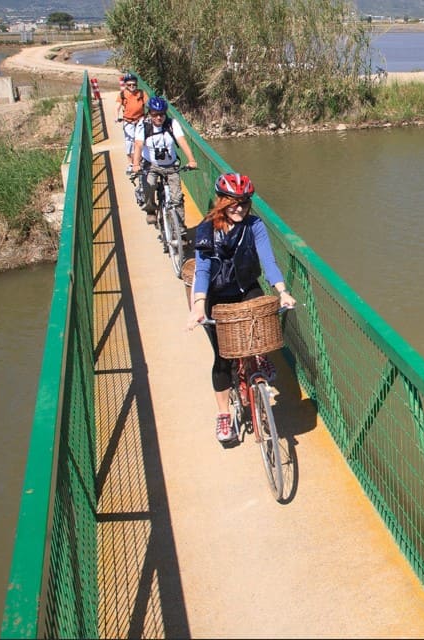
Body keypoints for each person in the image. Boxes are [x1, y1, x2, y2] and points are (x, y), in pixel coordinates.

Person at [185, 173, 296, 444]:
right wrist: (198, 305)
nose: (240, 208)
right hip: (217, 295)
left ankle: (257, 358)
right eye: (233, 203)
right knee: (223, 360)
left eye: (245, 203)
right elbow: (203, 270)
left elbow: (268, 261)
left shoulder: (254, 225)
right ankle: (223, 414)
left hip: (246, 287)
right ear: (222, 202)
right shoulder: (207, 230)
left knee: (260, 321)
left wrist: (282, 292)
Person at [130, 95, 198, 227]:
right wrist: (136, 164)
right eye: (155, 115)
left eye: (161, 114)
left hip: (171, 165)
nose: (159, 118)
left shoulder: (172, 124)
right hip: (151, 165)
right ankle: (150, 210)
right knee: (148, 186)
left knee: (177, 199)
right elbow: (138, 145)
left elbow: (182, 141)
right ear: (149, 113)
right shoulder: (143, 126)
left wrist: (191, 160)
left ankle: (180, 230)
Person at [114, 73, 147, 168]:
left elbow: (148, 104)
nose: (132, 86)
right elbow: (117, 107)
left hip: (140, 120)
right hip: (128, 121)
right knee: (129, 142)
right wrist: (116, 117)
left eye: (134, 84)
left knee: (141, 141)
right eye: (129, 85)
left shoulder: (141, 93)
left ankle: (141, 160)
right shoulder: (122, 94)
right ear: (125, 85)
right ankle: (130, 163)